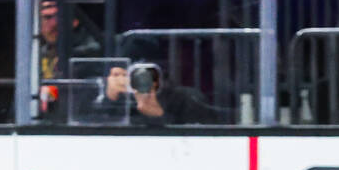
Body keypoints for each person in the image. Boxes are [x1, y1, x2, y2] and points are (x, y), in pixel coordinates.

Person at [85, 63, 231, 126]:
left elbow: (204, 142)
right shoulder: (115, 97)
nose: (142, 81)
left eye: (149, 75)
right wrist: (109, 99)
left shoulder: (185, 98)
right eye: (134, 75)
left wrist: (159, 116)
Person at [38, 0, 101, 120]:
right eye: (45, 18)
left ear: (74, 21)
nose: (53, 24)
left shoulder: (90, 51)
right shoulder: (40, 53)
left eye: (57, 17)